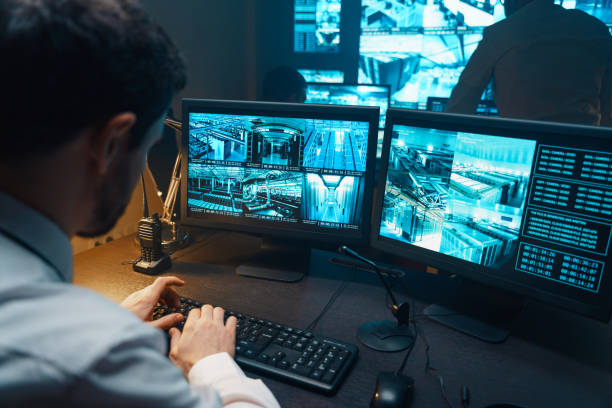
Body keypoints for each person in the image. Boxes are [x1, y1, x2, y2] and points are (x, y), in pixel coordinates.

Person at [0, 1, 279, 406]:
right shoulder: (96, 356)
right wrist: (212, 362)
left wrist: (111, 324)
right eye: (149, 147)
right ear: (112, 143)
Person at [445, 0, 612, 126]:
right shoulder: (595, 29)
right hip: (583, 147)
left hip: (521, 145)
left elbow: (460, 105)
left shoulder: (501, 33)